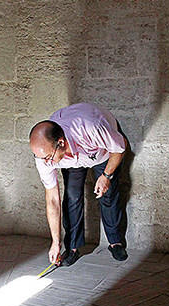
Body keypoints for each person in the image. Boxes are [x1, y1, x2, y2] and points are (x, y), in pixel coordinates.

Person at [29, 102, 127, 266]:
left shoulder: (92, 127)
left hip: (101, 153)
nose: (45, 162)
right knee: (72, 197)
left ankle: (115, 242)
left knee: (108, 194)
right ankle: (72, 247)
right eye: (40, 157)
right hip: (70, 159)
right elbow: (52, 200)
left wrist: (106, 176)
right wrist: (55, 242)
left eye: (47, 157)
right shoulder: (44, 157)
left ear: (61, 142)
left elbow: (120, 146)